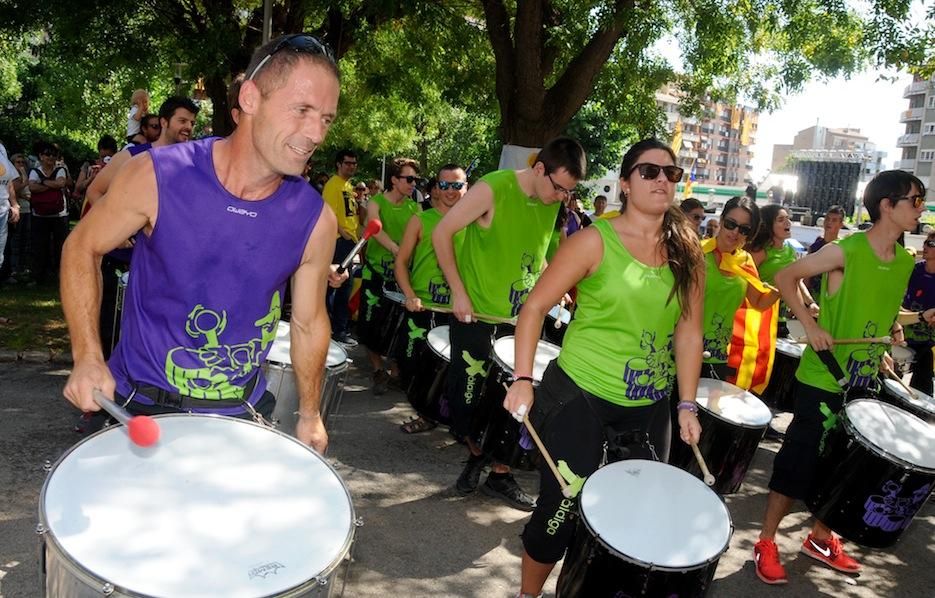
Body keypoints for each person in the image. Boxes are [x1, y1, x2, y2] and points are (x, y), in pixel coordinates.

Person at [60, 33, 341, 453]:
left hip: (240, 413)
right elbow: (82, 247)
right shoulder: (158, 176)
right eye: (302, 110)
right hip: (140, 407)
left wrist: (310, 412)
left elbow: (308, 322)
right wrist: (87, 357)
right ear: (250, 98)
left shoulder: (315, 219)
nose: (315, 133)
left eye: (326, 118)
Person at [502, 138, 704, 597]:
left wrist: (687, 404)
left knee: (629, 522)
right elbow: (533, 309)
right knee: (558, 517)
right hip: (582, 399)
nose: (661, 180)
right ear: (625, 184)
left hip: (650, 408)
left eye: (669, 173)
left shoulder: (688, 251)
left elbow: (689, 332)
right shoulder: (594, 240)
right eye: (649, 172)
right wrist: (522, 379)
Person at [753, 170, 932, 585]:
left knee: (842, 468)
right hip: (823, 377)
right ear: (887, 205)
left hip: (863, 381)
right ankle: (765, 540)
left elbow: (885, 316)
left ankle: (819, 538)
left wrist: (901, 329)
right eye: (915, 199)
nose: (919, 208)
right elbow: (785, 278)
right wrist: (810, 325)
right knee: (798, 464)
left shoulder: (905, 261)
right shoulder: (845, 251)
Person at [433, 136, 585, 511]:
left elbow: (541, 256)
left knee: (516, 403)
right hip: (477, 315)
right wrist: (458, 292)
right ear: (539, 169)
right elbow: (442, 233)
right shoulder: (493, 187)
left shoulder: (552, 204)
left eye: (570, 191)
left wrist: (558, 287)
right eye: (559, 187)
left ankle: (500, 473)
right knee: (466, 402)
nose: (562, 197)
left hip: (522, 322)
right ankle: (476, 453)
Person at [394, 164, 468, 433]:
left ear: (467, 187)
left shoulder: (476, 223)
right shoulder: (421, 220)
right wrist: (410, 295)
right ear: (436, 188)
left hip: (460, 310)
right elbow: (401, 263)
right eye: (445, 185)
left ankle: (439, 416)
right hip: (423, 307)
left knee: (454, 371)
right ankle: (425, 411)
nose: (451, 191)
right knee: (413, 365)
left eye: (457, 185)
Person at [357, 157, 422, 394]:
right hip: (376, 274)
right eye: (409, 179)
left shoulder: (415, 207)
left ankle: (395, 372)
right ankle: (377, 370)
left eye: (416, 179)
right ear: (394, 180)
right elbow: (373, 228)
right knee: (370, 324)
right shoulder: (376, 202)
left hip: (402, 278)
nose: (413, 183)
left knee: (398, 326)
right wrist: (397, 250)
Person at [700, 196, 780, 379]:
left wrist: (781, 289)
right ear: (721, 220)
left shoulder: (746, 261)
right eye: (730, 224)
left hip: (718, 356)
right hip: (683, 351)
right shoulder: (697, 252)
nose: (735, 232)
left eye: (744, 229)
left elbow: (758, 303)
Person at [85, 96, 199, 209]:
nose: (188, 127)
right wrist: (117, 223)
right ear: (164, 122)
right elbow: (94, 191)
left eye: (192, 123)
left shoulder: (192, 163)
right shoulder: (130, 156)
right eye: (182, 121)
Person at [747, 204, 817, 337]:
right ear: (768, 225)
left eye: (788, 218)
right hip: (759, 319)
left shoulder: (790, 249)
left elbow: (796, 281)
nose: (788, 222)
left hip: (781, 321)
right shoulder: (760, 251)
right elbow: (747, 281)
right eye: (780, 220)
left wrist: (810, 303)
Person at [323, 149, 360, 348]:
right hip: (339, 241)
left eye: (354, 163)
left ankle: (337, 329)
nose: (351, 166)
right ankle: (336, 329)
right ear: (338, 164)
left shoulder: (347, 185)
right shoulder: (332, 185)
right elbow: (327, 212)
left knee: (344, 286)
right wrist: (342, 232)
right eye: (347, 163)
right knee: (338, 286)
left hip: (350, 241)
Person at [27, 142, 70, 286]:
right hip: (39, 215)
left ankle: (61, 275)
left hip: (59, 215)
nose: (50, 157)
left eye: (53, 155)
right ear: (40, 156)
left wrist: (43, 181)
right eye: (47, 154)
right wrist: (51, 184)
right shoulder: (35, 171)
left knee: (61, 246)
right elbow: (32, 187)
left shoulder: (60, 170)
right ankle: (38, 276)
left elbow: (61, 184)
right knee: (39, 246)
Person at [902, 231, 935, 395]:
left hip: (930, 342)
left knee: (921, 390)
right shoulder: (914, 270)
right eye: (925, 243)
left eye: (931, 244)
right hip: (905, 335)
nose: (925, 247)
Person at [807, 205, 845, 295]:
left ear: (841, 224)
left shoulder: (843, 248)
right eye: (827, 218)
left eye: (834, 220)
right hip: (814, 295)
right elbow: (806, 276)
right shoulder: (815, 246)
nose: (829, 222)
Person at [74, 135, 119, 204]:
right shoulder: (89, 165)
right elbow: (78, 188)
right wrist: (91, 178)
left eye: (108, 158)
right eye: (103, 157)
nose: (104, 161)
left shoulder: (118, 167)